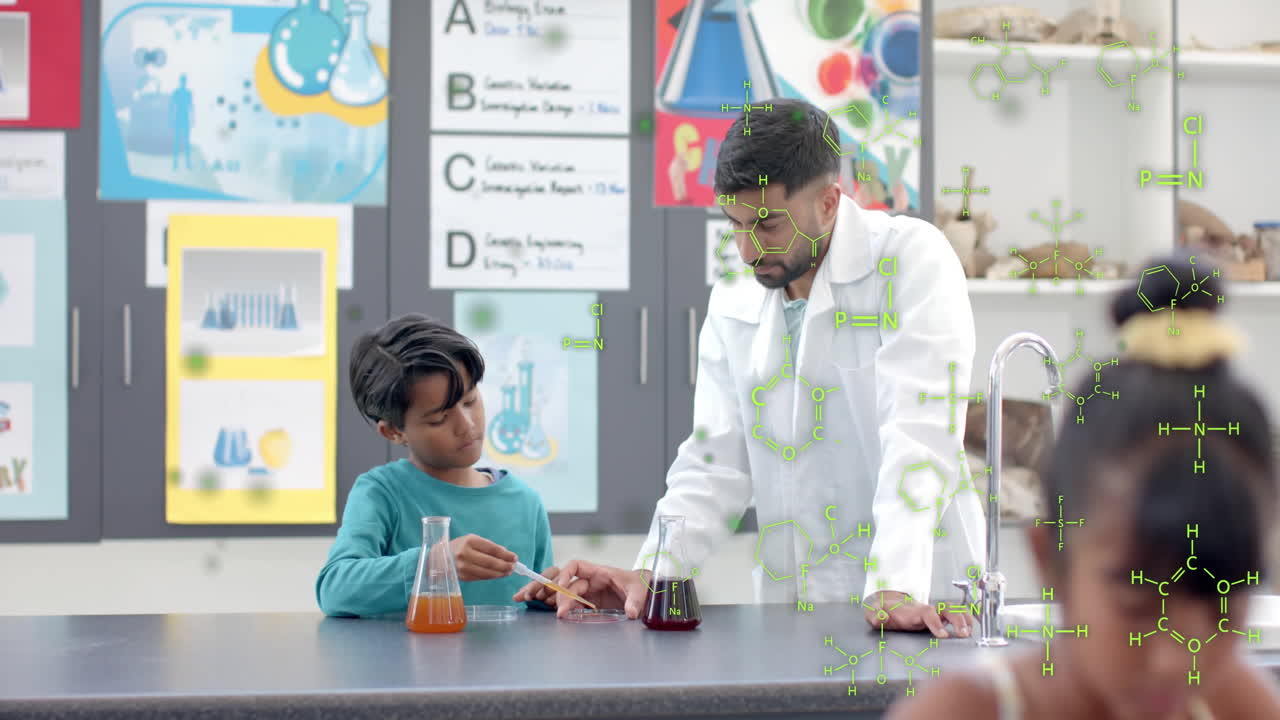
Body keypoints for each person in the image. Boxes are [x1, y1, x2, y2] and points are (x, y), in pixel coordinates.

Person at [518, 98, 984, 637]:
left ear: (830, 203)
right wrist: (653, 572)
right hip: (795, 601)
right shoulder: (735, 297)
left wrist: (897, 581)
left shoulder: (909, 259)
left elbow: (919, 431)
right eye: (734, 224)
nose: (746, 248)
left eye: (766, 225)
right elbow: (715, 460)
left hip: (920, 593)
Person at [888, 258, 1280, 719]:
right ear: (1049, 557)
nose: (1178, 660)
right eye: (1138, 610)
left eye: (1221, 611)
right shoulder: (963, 711)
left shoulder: (1237, 705)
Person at [317, 313, 554, 616]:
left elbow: (539, 608)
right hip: (407, 664)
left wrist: (552, 595)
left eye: (470, 401)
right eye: (439, 419)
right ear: (393, 431)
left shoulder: (525, 502)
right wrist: (435, 564)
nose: (467, 425)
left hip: (504, 665)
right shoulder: (381, 493)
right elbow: (334, 589)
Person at [169, 73, 194, 171]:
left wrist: (192, 119)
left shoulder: (183, 93)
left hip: (182, 117)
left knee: (183, 141)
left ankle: (184, 163)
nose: (184, 82)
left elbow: (191, 107)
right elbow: (172, 106)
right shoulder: (179, 93)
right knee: (178, 141)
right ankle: (177, 163)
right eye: (183, 80)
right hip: (181, 117)